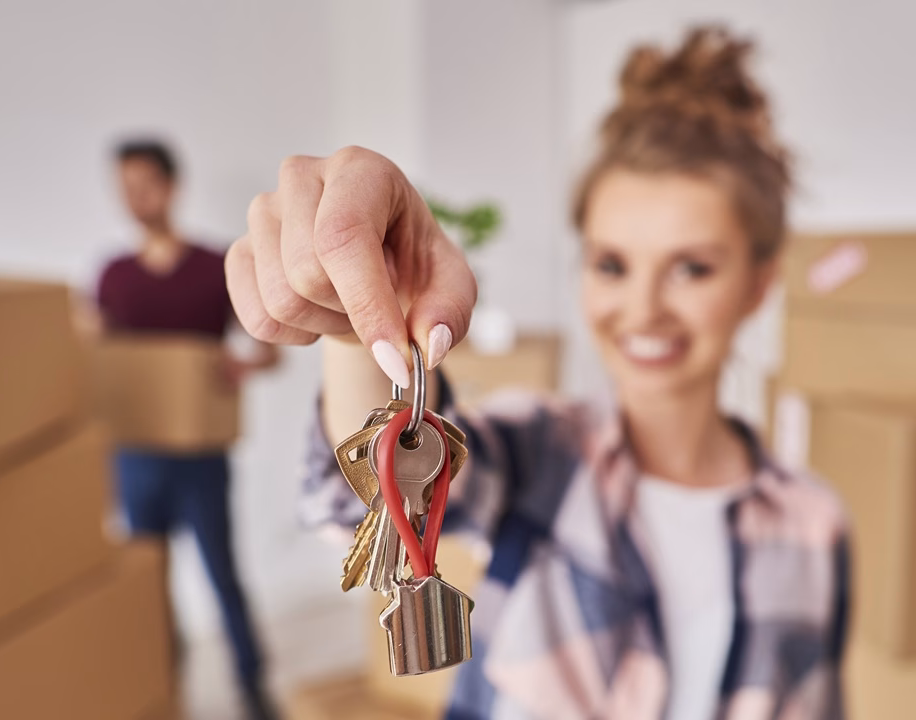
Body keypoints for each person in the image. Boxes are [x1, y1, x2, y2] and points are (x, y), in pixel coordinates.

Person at [227, 27, 849, 719]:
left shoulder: (814, 523)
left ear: (759, 284)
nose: (642, 308)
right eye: (611, 264)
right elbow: (365, 504)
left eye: (691, 268)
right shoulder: (538, 447)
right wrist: (357, 324)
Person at [95, 139, 281, 720]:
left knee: (222, 574)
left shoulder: (213, 267)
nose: (135, 198)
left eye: (145, 185)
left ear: (171, 186)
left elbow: (268, 348)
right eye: (125, 188)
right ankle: (162, 691)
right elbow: (96, 357)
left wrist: (241, 365)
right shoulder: (113, 276)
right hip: (136, 455)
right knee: (148, 583)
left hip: (201, 453)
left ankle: (253, 687)